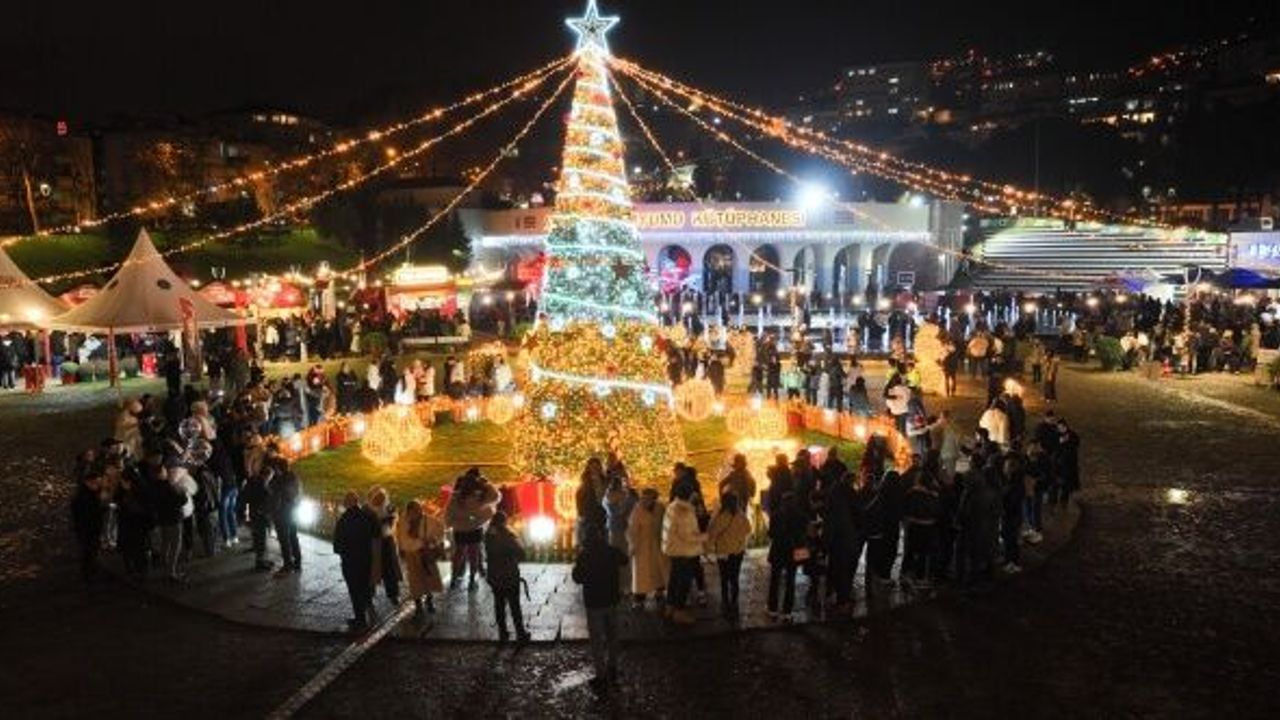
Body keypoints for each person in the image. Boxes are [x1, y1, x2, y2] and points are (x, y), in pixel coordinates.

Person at [573, 523, 628, 693]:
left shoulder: (584, 555)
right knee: (613, 636)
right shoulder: (612, 551)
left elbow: (577, 578)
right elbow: (625, 560)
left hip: (594, 603)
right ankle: (613, 667)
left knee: (597, 641)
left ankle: (601, 675)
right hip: (612, 600)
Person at [661, 481, 705, 624]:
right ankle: (679, 611)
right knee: (683, 581)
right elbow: (688, 536)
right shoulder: (684, 511)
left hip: (673, 548)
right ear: (689, 494)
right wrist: (705, 536)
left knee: (674, 579)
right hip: (683, 551)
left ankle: (670, 607)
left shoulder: (673, 506)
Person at [334, 492, 378, 631]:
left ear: (348, 503)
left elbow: (337, 544)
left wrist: (342, 552)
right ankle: (367, 609)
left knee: (354, 590)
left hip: (350, 561)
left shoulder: (344, 519)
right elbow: (376, 534)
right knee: (364, 587)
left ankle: (360, 619)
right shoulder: (367, 516)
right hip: (366, 559)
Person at [484, 511, 530, 643]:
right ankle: (520, 633)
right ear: (504, 522)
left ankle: (502, 632)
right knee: (514, 605)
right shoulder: (508, 536)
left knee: (499, 604)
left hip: (494, 576)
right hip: (509, 575)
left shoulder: (488, 536)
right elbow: (521, 554)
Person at [705, 493, 751, 620]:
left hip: (723, 552)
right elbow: (748, 529)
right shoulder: (741, 515)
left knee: (724, 577)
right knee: (735, 577)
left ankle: (725, 600)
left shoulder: (720, 516)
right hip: (738, 552)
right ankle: (734, 601)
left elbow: (712, 533)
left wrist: (707, 549)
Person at [396, 499, 445, 618]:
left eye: (419, 510)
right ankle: (418, 605)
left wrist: (433, 542)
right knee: (415, 581)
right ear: (409, 511)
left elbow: (440, 531)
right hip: (411, 554)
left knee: (428, 577)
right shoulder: (403, 522)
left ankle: (429, 600)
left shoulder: (429, 520)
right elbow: (401, 538)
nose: (418, 513)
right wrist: (402, 549)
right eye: (414, 511)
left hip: (425, 553)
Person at [625, 488, 668, 609]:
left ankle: (659, 593)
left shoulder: (660, 508)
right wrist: (633, 545)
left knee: (658, 570)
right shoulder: (637, 510)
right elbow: (632, 530)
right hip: (642, 546)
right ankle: (639, 598)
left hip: (657, 544)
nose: (646, 501)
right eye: (644, 498)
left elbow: (664, 523)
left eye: (649, 498)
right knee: (641, 574)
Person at [766, 488, 805, 620]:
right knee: (790, 581)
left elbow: (771, 534)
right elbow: (805, 534)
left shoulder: (776, 515)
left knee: (775, 580)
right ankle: (787, 612)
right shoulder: (800, 515)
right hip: (793, 552)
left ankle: (772, 609)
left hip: (778, 550)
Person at [267, 452, 302, 574]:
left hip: (282, 513)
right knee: (293, 536)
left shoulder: (279, 481)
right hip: (292, 512)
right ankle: (297, 562)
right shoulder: (293, 477)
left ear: (278, 468)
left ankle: (288, 565)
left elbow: (275, 497)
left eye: (275, 467)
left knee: (284, 539)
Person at [368, 488, 401, 603]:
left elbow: (393, 522)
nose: (380, 499)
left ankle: (393, 594)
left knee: (389, 568)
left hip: (387, 540)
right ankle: (370, 593)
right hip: (375, 541)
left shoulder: (389, 508)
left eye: (382, 497)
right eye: (378, 497)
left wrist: (389, 520)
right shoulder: (369, 509)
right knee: (373, 568)